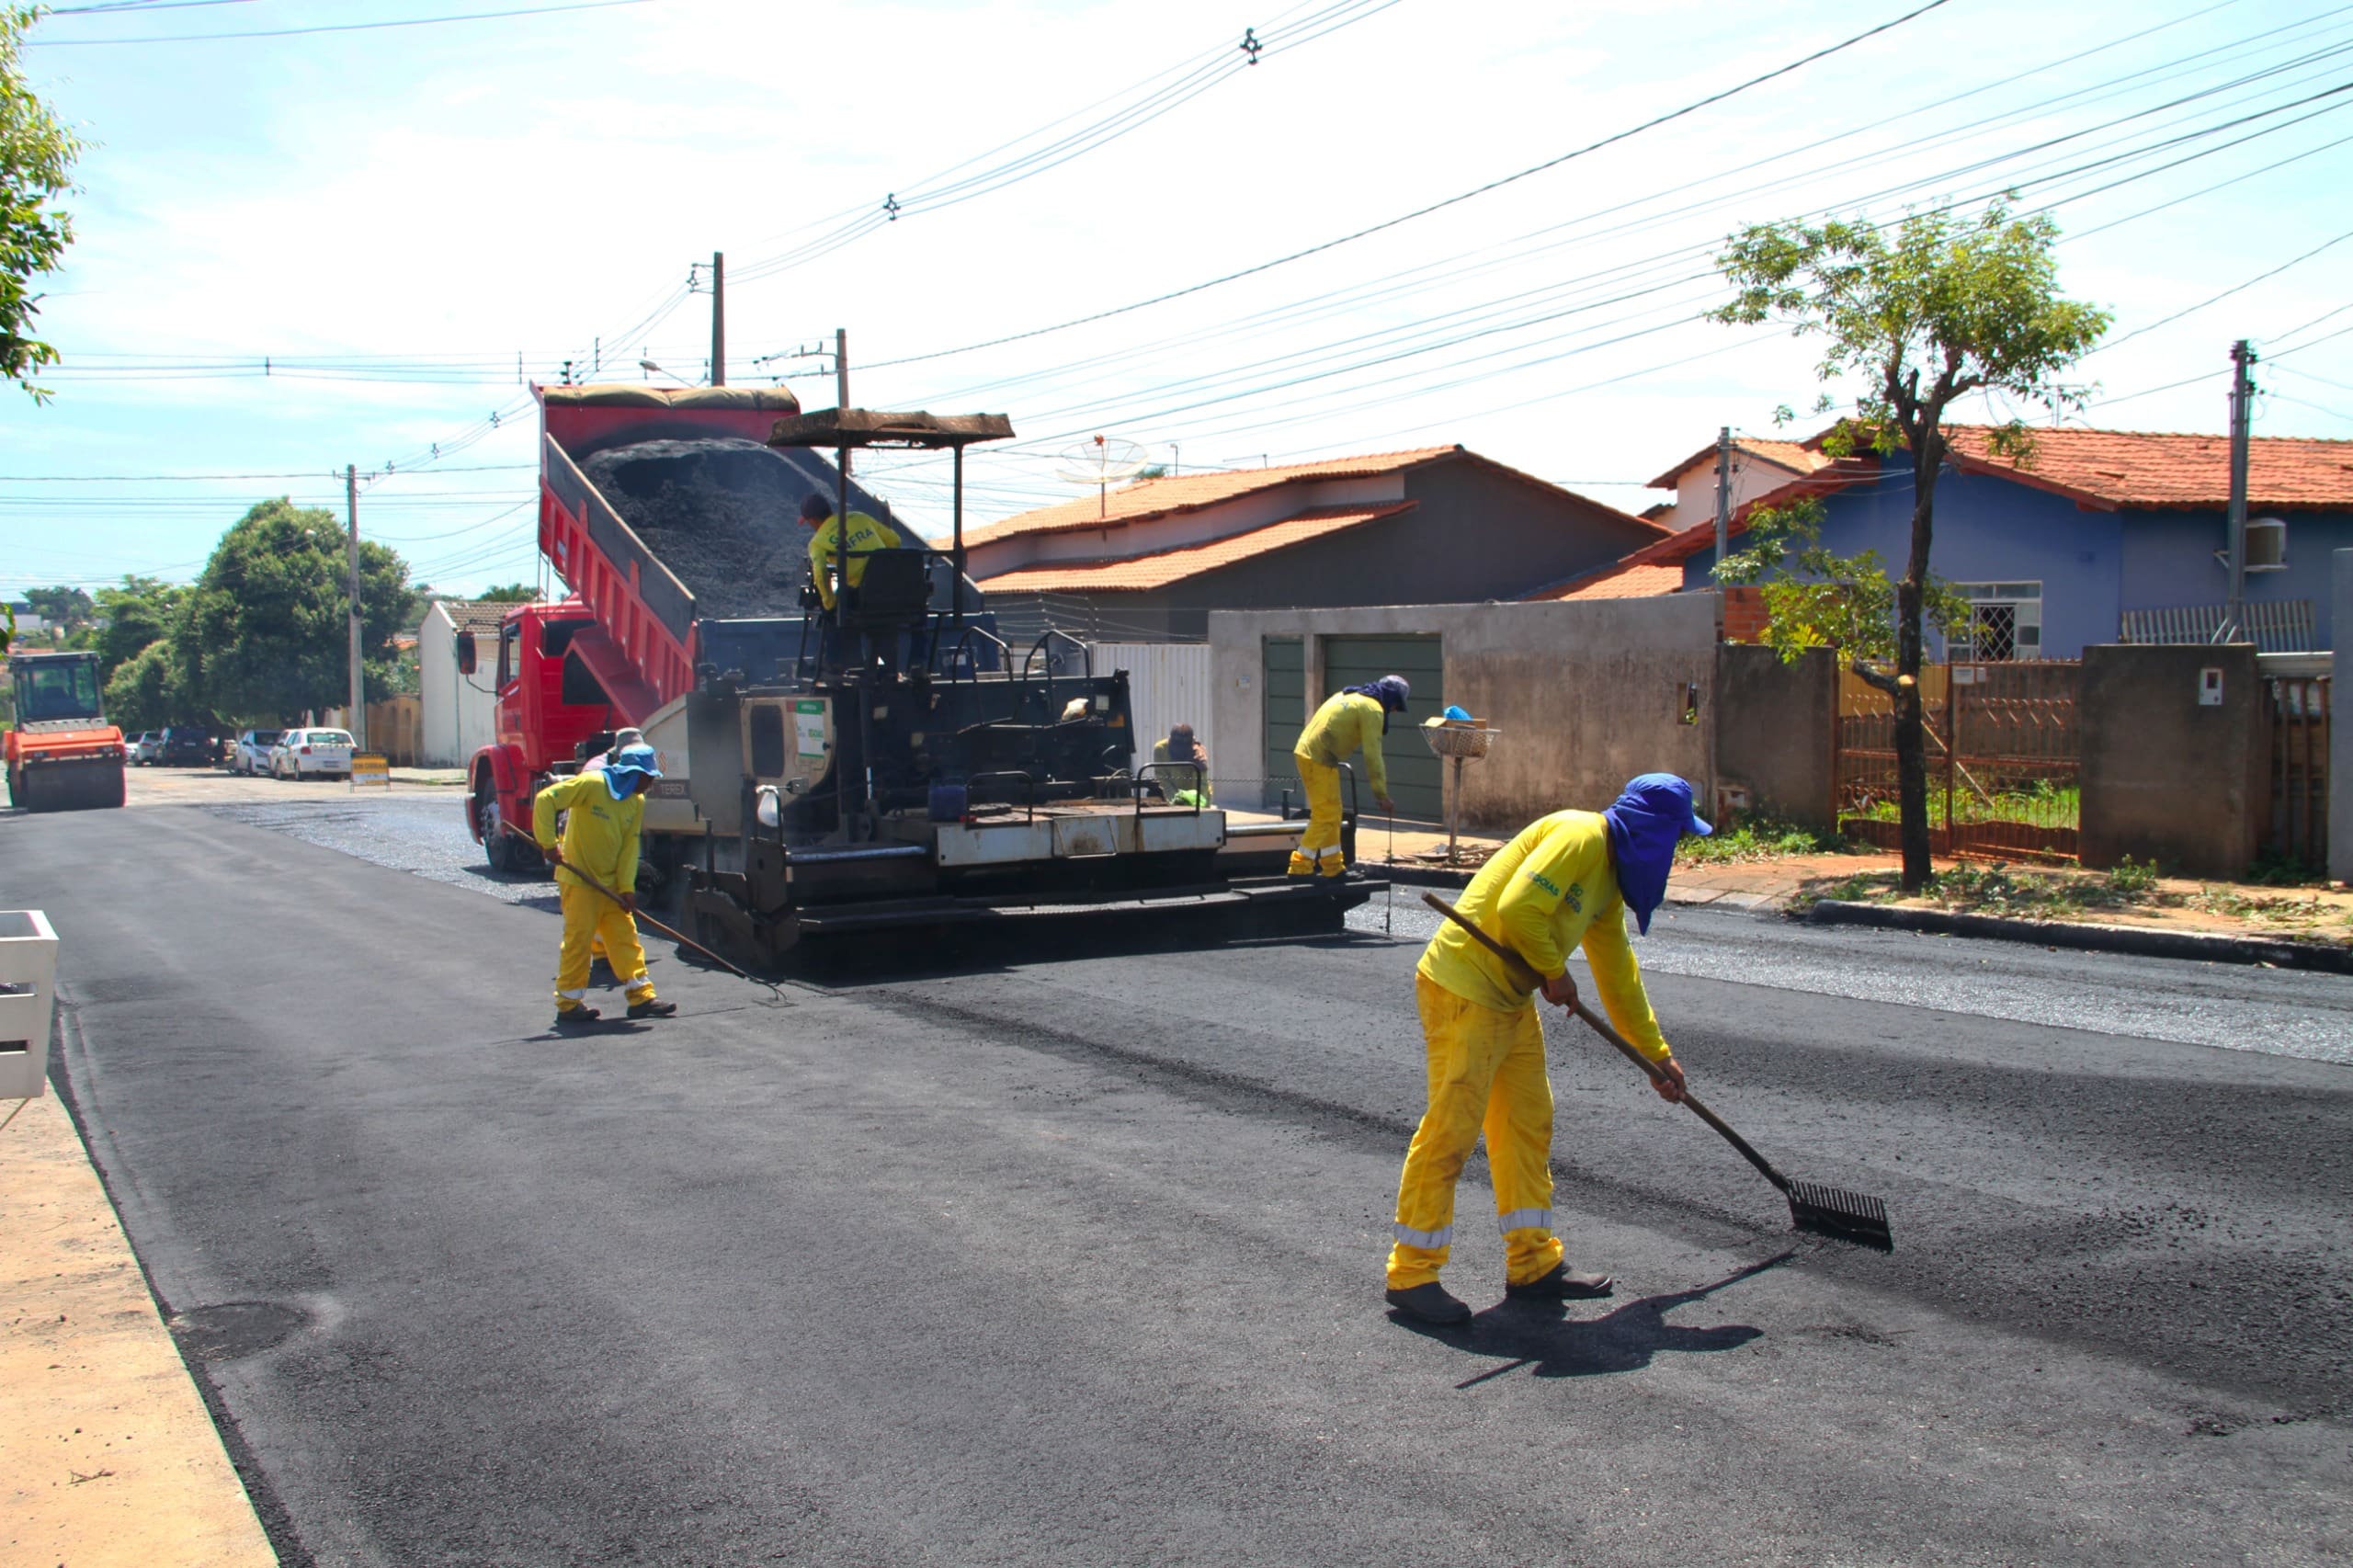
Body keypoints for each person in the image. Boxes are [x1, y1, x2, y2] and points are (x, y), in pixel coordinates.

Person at [1383, 773, 1711, 1327]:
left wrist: (1656, 1055)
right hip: (1464, 985)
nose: (1675, 851)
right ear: (1653, 830)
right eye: (1677, 837)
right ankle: (1412, 1272)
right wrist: (1556, 972)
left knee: (1527, 1123)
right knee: (1453, 1128)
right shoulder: (1580, 835)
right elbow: (1518, 909)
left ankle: (1533, 1262)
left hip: (1507, 997)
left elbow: (1617, 973)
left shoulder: (1608, 877)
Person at [534, 743, 678, 1028]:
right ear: (632, 773)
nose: (649, 785)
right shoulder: (592, 784)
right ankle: (568, 1005)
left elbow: (628, 846)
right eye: (647, 778)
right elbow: (545, 799)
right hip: (579, 880)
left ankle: (641, 998)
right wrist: (549, 844)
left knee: (625, 937)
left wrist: (626, 888)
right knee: (579, 941)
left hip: (610, 886)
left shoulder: (635, 801)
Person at [1288, 676, 1407, 878]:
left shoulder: (1349, 695)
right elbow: (1372, 756)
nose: (1394, 711)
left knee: (1332, 813)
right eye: (1396, 706)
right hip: (1318, 757)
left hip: (1313, 754)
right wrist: (1381, 795)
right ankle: (1300, 867)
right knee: (1325, 815)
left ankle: (1333, 867)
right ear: (1391, 698)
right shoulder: (1372, 709)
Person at [799, 492, 904, 612]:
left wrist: (829, 602)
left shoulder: (817, 542)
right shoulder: (859, 517)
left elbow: (820, 573)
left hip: (864, 594)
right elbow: (895, 541)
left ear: (812, 520)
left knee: (833, 610)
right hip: (895, 583)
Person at [1149, 723, 1211, 805]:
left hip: (1196, 798)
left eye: (1185, 745)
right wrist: (1176, 800)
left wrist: (1199, 804)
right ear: (1170, 741)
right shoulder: (1161, 749)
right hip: (1172, 796)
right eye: (1178, 745)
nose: (1181, 749)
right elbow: (1163, 780)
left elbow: (1202, 784)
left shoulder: (1198, 753)